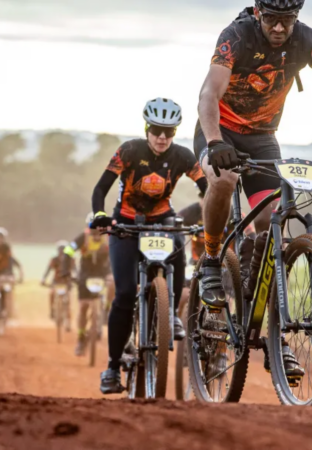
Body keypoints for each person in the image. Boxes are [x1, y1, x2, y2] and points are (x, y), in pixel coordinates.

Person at [194, 0, 312, 379]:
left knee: (270, 219)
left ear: (297, 17)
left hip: (263, 138)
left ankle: (271, 328)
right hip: (221, 131)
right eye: (272, 20)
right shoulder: (236, 36)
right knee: (225, 180)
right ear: (259, 13)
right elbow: (208, 95)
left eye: (287, 20)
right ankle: (213, 259)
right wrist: (215, 142)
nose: (279, 28)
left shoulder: (309, 42)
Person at [89, 97, 208, 394]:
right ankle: (113, 367)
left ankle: (170, 317)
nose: (162, 138)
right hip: (126, 222)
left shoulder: (182, 156)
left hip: (161, 218)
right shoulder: (129, 150)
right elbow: (101, 187)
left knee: (179, 239)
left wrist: (212, 215)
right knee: (125, 293)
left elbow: (206, 186)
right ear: (147, 128)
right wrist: (101, 215)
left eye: (169, 132)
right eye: (156, 130)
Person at [61, 217, 113, 357]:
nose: (96, 233)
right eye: (93, 229)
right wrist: (66, 270)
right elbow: (68, 251)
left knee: (113, 282)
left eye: (99, 229)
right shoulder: (82, 238)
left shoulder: (110, 237)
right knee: (83, 307)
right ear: (88, 228)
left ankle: (107, 310)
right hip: (85, 274)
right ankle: (81, 337)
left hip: (104, 271)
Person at [41, 240, 76, 321]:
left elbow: (75, 270)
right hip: (56, 281)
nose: (62, 253)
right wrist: (43, 279)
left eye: (63, 251)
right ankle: (52, 310)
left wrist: (75, 277)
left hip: (67, 282)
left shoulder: (71, 260)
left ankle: (68, 318)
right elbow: (48, 270)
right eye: (60, 251)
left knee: (68, 300)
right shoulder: (54, 260)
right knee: (52, 293)